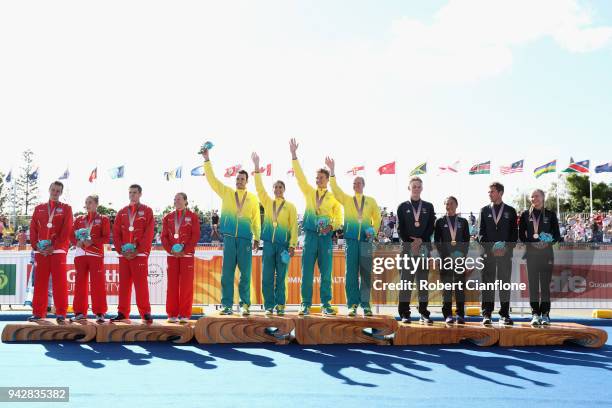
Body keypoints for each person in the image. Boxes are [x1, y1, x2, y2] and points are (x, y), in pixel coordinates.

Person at [202, 146, 260, 316]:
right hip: (228, 238)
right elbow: (212, 180)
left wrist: (257, 237)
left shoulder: (253, 198)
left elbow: (256, 219)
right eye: (238, 179)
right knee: (227, 274)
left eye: (242, 179)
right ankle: (226, 305)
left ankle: (245, 305)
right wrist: (207, 159)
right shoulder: (227, 193)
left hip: (245, 240)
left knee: (245, 275)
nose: (239, 181)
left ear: (247, 181)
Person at [289, 138, 342, 316]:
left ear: (327, 180)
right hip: (310, 235)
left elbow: (338, 217)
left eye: (321, 178)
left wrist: (331, 226)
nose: (318, 180)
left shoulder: (333, 197)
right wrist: (294, 155)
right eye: (317, 178)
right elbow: (300, 177)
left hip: (325, 237)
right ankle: (305, 304)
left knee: (326, 273)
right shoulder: (310, 192)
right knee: (307, 273)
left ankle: (326, 304)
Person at [326, 156, 381, 317]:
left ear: (363, 185)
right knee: (350, 274)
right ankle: (352, 305)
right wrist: (332, 171)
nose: (356, 185)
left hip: (365, 241)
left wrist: (373, 231)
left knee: (365, 273)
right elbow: (335, 190)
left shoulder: (371, 201)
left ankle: (366, 304)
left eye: (358, 183)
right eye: (354, 184)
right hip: (351, 241)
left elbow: (377, 218)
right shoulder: (347, 200)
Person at [252, 152, 298, 316]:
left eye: (280, 187)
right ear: (273, 190)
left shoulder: (290, 206)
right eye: (275, 187)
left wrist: (292, 244)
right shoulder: (267, 202)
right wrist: (257, 168)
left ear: (284, 189)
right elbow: (259, 188)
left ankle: (280, 305)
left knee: (281, 278)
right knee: (267, 277)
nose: (278, 189)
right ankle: (269, 305)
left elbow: (294, 227)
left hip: (283, 245)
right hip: (269, 245)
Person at [28, 181, 73, 322]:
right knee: (40, 283)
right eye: (53, 189)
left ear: (61, 192)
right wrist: (37, 246)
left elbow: (67, 230)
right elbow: (33, 229)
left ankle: (60, 313)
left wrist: (54, 246)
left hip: (58, 251)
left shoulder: (66, 208)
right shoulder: (39, 208)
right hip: (41, 252)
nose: (55, 192)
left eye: (58, 190)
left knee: (59, 283)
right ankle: (38, 313)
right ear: (49, 189)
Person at [111, 184, 155, 324]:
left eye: (135, 193)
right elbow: (116, 233)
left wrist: (138, 250)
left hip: (139, 254)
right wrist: (121, 250)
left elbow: (149, 233)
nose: (132, 195)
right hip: (124, 255)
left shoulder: (147, 211)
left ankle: (145, 313)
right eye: (130, 192)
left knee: (141, 285)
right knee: (123, 285)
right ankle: (122, 313)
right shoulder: (122, 212)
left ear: (140, 194)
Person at [477, 182, 518, 326]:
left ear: (500, 193)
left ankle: (504, 314)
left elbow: (514, 235)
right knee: (487, 285)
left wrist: (505, 248)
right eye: (489, 191)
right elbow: (480, 234)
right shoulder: (483, 210)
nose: (489, 194)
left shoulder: (511, 211)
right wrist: (492, 248)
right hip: (488, 254)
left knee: (504, 284)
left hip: (505, 254)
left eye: (492, 191)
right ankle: (486, 314)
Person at [519, 189, 561, 326]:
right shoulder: (525, 215)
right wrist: (531, 244)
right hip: (531, 254)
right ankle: (535, 314)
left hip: (547, 254)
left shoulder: (550, 214)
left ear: (543, 198)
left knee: (545, 286)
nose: (533, 198)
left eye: (536, 196)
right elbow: (521, 235)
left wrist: (547, 241)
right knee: (533, 285)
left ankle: (545, 314)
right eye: (531, 196)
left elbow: (557, 235)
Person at [396, 176, 435, 324]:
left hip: (424, 248)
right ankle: (405, 313)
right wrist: (411, 242)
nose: (416, 189)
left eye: (419, 186)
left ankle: (424, 312)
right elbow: (400, 229)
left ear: (422, 188)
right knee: (406, 282)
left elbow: (431, 227)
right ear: (409, 188)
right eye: (414, 186)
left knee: (423, 283)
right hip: (407, 248)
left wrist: (421, 240)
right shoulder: (402, 207)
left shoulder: (428, 206)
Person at [161, 193, 201, 323]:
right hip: (172, 255)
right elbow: (164, 236)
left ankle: (184, 315)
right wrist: (170, 249)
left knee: (186, 286)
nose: (176, 201)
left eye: (179, 199)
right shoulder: (168, 217)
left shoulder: (193, 217)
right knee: (172, 285)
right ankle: (172, 314)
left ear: (185, 201)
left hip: (187, 256)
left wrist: (185, 250)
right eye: (174, 199)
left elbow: (195, 236)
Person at [70, 195, 110, 323]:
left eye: (91, 202)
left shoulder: (103, 219)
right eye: (86, 202)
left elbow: (106, 237)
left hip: (95, 254)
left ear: (96, 204)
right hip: (80, 253)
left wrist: (92, 241)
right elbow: (71, 235)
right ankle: (79, 312)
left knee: (97, 284)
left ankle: (100, 312)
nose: (88, 205)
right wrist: (77, 242)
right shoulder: (79, 219)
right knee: (80, 283)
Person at [434, 196, 470, 324]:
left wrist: (461, 254)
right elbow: (437, 242)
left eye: (452, 203)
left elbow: (466, 241)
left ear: (456, 205)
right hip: (446, 259)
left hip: (460, 259)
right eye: (447, 204)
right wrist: (446, 255)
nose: (449, 206)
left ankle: (460, 314)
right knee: (447, 288)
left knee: (460, 288)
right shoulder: (439, 222)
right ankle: (447, 314)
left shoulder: (463, 221)